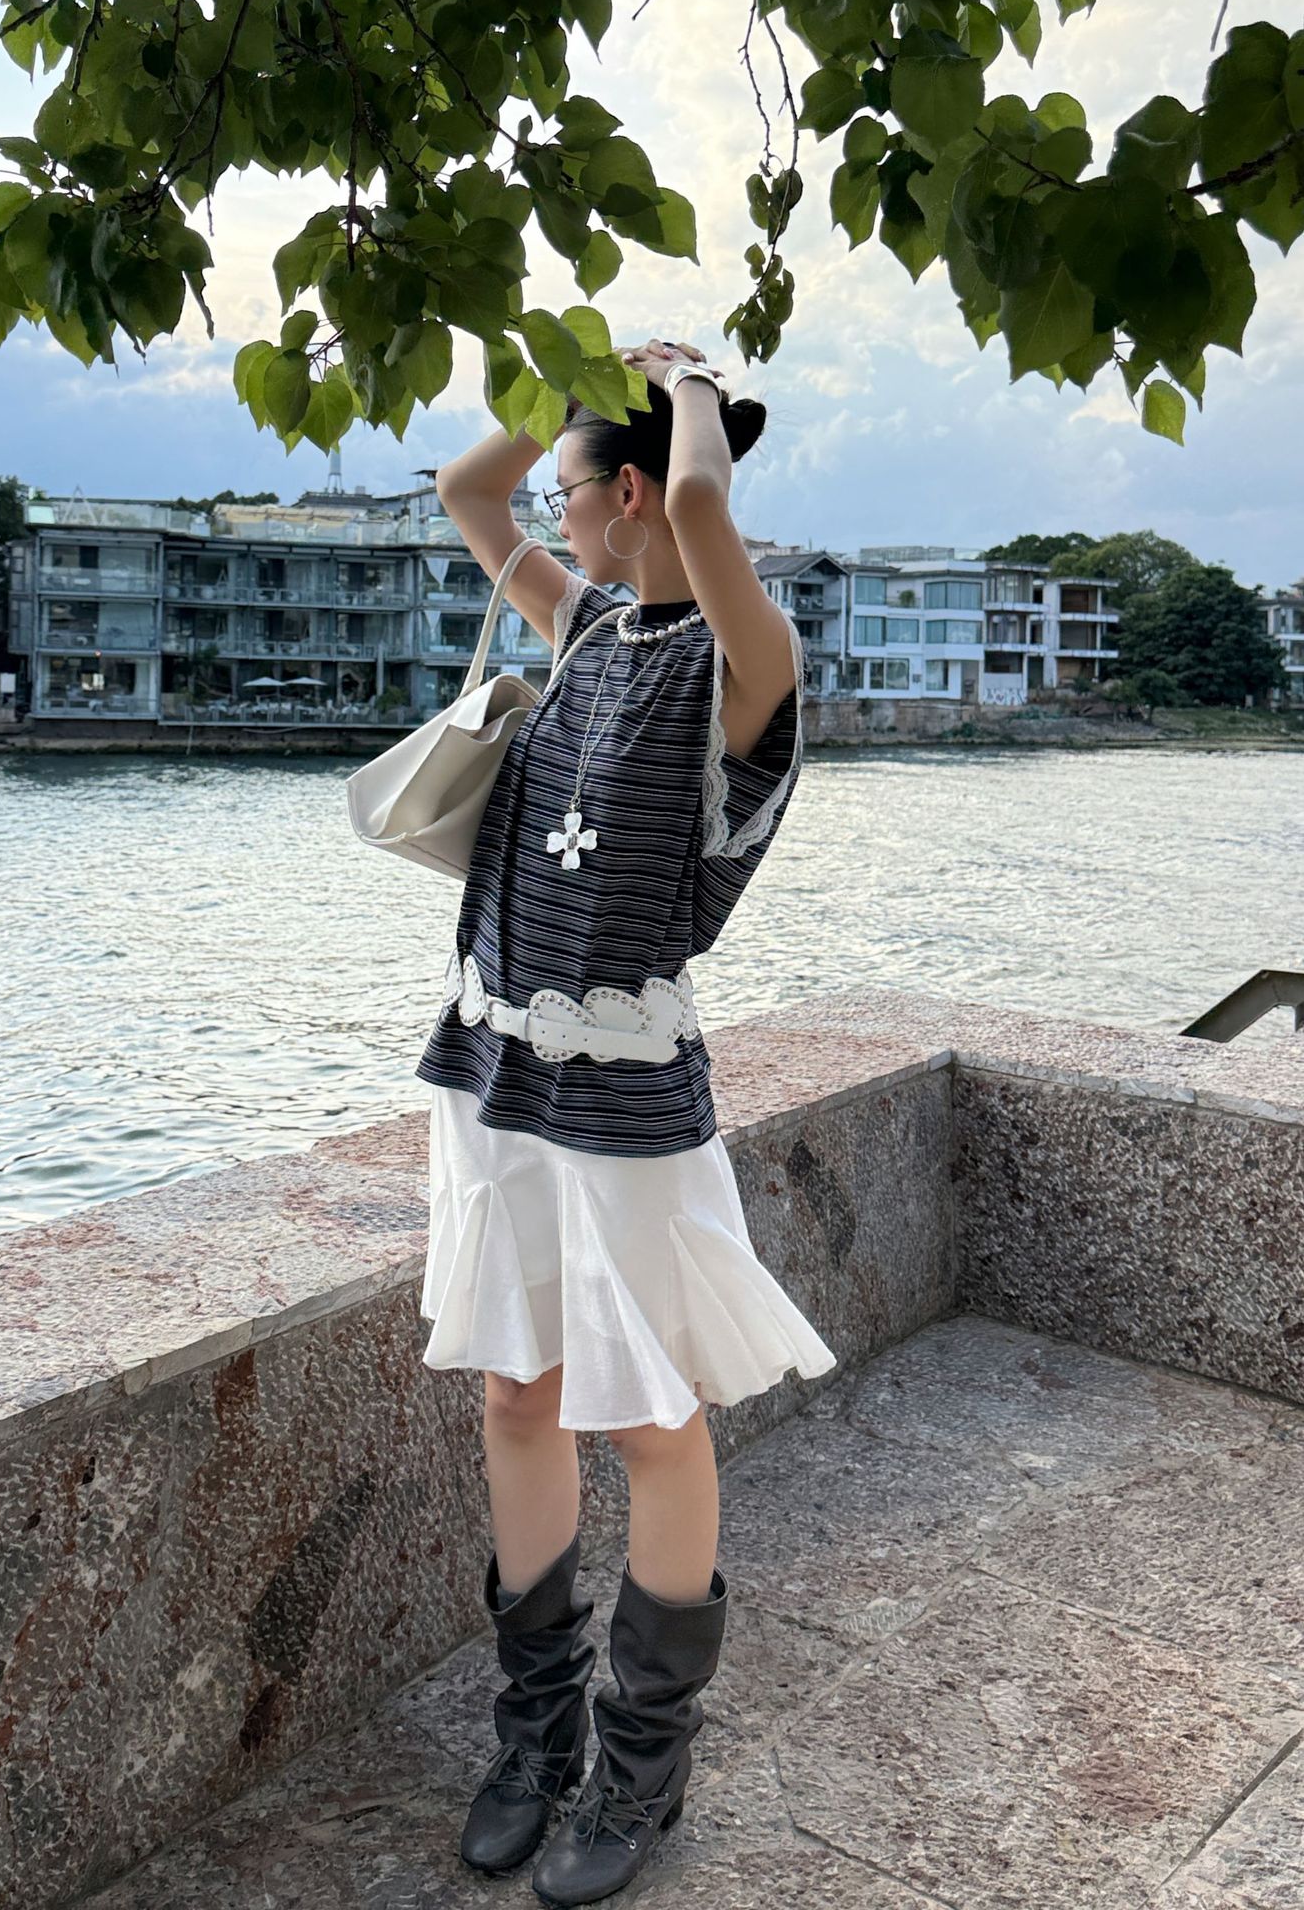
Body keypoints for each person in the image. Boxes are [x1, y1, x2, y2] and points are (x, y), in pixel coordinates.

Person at [414, 337, 837, 1907]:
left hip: (627, 1091)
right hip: (496, 1068)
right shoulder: (587, 623)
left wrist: (695, 390)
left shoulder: (746, 665)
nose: (556, 511)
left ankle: (641, 1761)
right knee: (519, 1393)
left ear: (633, 494)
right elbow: (470, 491)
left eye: (578, 488)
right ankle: (535, 1733)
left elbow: (709, 508)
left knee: (652, 1421)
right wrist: (565, 383)